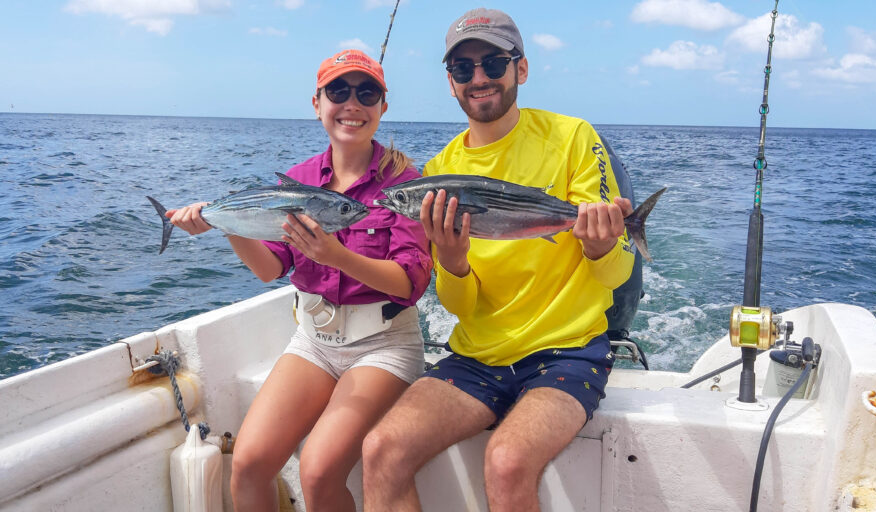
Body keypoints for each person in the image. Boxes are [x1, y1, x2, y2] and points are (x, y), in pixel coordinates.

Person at [362, 8, 635, 511]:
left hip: (568, 351)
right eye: (464, 69)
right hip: (478, 356)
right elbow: (461, 306)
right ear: (451, 83)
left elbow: (617, 272)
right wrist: (452, 259)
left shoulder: (574, 137)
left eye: (493, 62)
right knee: (381, 449)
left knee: (507, 460)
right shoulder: (441, 170)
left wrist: (600, 244)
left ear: (521, 69)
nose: (480, 77)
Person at [166, 49, 432, 511]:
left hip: (383, 343)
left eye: (367, 93)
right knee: (248, 463)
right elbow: (270, 269)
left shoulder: (404, 183)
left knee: (318, 468)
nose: (352, 104)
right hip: (313, 341)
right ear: (317, 103)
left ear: (383, 107)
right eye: (338, 91)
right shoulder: (296, 181)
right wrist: (230, 225)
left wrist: (337, 255)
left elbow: (410, 283)